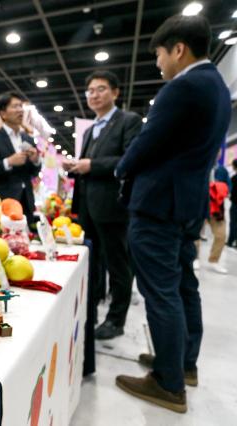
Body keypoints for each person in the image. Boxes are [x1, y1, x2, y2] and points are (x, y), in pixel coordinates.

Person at [114, 14, 231, 413]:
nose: (159, 64)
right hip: (185, 204)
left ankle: (168, 384)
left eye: (161, 55)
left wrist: (121, 167)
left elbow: (148, 142)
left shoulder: (183, 87)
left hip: (159, 204)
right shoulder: (215, 85)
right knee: (183, 286)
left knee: (161, 291)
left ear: (179, 49)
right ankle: (182, 364)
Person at [61, 70, 141, 340]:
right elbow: (87, 166)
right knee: (92, 261)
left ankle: (116, 320)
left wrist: (91, 165)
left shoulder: (127, 121)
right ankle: (90, 309)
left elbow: (131, 159)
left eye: (101, 89)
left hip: (112, 207)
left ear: (115, 92)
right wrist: (73, 166)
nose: (94, 95)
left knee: (118, 264)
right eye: (90, 91)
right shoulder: (91, 129)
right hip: (87, 207)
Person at [0, 93, 42, 226]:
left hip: (27, 201)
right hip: (3, 204)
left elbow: (34, 172)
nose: (20, 110)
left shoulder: (28, 139)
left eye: (21, 106)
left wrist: (35, 160)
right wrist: (8, 162)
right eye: (15, 106)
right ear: (3, 113)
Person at [227, 159, 237, 248]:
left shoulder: (234, 178)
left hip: (235, 203)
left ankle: (230, 241)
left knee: (233, 222)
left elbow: (232, 192)